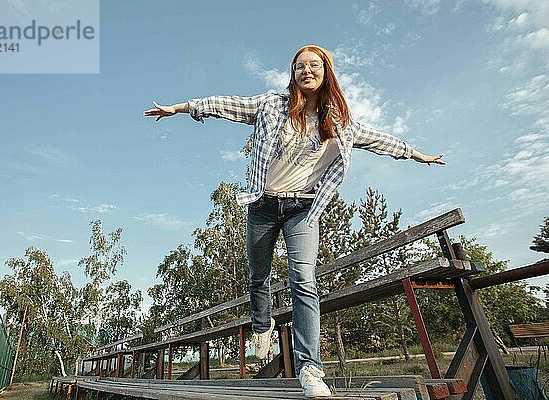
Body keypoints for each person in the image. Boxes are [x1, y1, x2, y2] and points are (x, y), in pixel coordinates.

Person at [144, 44, 445, 398]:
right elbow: (224, 104)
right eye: (299, 66)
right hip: (264, 204)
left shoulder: (340, 122)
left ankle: (310, 369)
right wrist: (180, 108)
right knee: (259, 277)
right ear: (293, 74)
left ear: (325, 71)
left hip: (303, 208)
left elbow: (380, 140)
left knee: (304, 280)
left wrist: (415, 154)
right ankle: (262, 325)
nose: (306, 71)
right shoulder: (272, 106)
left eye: (313, 65)